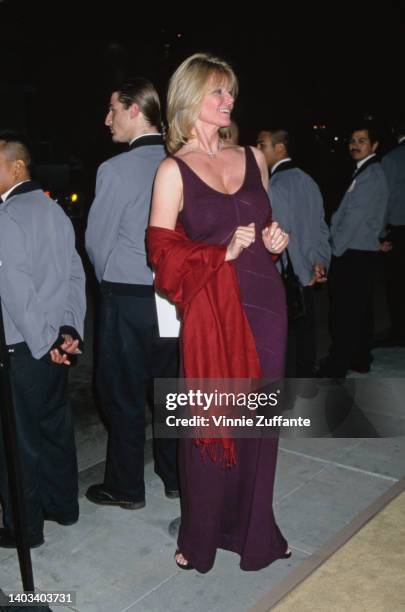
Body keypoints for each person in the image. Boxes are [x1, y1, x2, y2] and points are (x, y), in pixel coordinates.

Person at [147, 53, 291, 573]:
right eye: (218, 93)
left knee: (257, 426)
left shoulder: (254, 157)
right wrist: (218, 254)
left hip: (264, 305)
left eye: (230, 92)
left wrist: (275, 242)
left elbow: (267, 227)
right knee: (210, 423)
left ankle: (256, 532)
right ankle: (202, 535)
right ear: (190, 99)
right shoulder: (172, 170)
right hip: (211, 309)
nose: (229, 101)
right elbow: (162, 258)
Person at [85, 78, 179, 510]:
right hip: (172, 296)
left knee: (120, 392)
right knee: (170, 387)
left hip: (127, 297)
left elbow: (97, 242)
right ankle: (177, 476)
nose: (107, 120)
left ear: (135, 110)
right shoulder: (181, 161)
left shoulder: (115, 169)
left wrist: (110, 281)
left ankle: (125, 487)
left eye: (112, 110)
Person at [0, 132, 86, 548]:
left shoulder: (7, 215)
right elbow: (74, 274)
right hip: (54, 344)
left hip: (23, 347)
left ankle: (25, 528)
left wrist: (43, 341)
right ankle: (64, 506)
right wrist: (69, 332)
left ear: (17, 165)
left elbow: (14, 289)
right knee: (53, 428)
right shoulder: (54, 210)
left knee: (18, 443)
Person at [257, 128, 330, 377]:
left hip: (289, 275)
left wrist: (298, 271)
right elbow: (320, 225)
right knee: (307, 335)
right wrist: (320, 261)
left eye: (262, 144)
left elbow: (282, 235)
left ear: (280, 148)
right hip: (309, 271)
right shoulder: (308, 180)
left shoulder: (274, 185)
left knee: (286, 341)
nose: (257, 149)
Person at [318, 123, 388, 378]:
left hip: (351, 253)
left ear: (375, 146)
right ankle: (359, 358)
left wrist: (333, 251)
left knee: (344, 314)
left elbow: (354, 219)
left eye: (362, 140)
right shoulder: (366, 172)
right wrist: (377, 236)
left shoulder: (369, 175)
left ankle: (336, 368)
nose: (355, 145)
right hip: (361, 250)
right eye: (352, 140)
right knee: (360, 311)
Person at [378, 120, 405, 346]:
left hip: (398, 229)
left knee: (396, 284)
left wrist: (380, 231)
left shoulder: (391, 159)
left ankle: (399, 332)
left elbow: (384, 200)